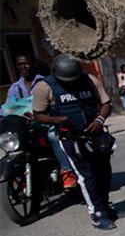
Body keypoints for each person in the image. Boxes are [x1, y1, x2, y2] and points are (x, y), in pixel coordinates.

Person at [32, 54, 118, 230]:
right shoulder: (45, 87)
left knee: (104, 173)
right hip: (71, 139)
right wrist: (58, 120)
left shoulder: (89, 80)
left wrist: (100, 120)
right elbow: (38, 115)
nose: (71, 84)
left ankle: (106, 207)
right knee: (87, 176)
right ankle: (97, 213)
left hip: (96, 135)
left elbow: (106, 103)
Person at [3, 53, 78, 189]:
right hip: (26, 126)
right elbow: (8, 107)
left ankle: (66, 172)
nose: (23, 67)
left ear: (34, 65)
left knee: (53, 136)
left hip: (46, 122)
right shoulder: (14, 88)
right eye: (20, 65)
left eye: (26, 64)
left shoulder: (46, 82)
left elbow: (56, 102)